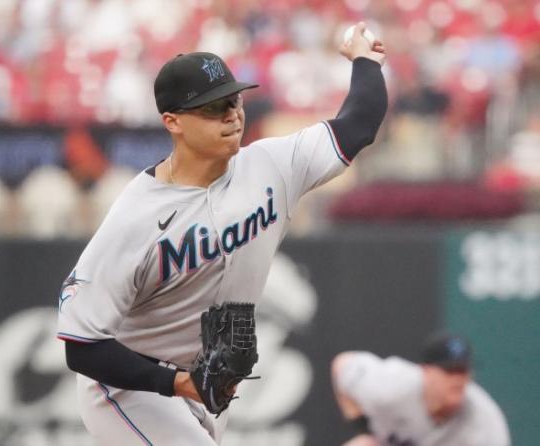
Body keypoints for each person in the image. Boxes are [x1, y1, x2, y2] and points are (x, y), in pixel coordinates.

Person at [57, 22, 387, 446]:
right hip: (130, 387)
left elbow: (358, 124)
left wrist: (365, 60)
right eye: (213, 107)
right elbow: (81, 347)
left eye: (234, 100)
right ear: (172, 121)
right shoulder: (134, 218)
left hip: (205, 385)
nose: (231, 113)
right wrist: (177, 382)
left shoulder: (271, 165)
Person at [331, 332, 511, 446]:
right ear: (426, 371)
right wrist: (364, 430)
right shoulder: (392, 386)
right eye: (449, 371)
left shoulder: (484, 421)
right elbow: (341, 364)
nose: (457, 379)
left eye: (462, 371)